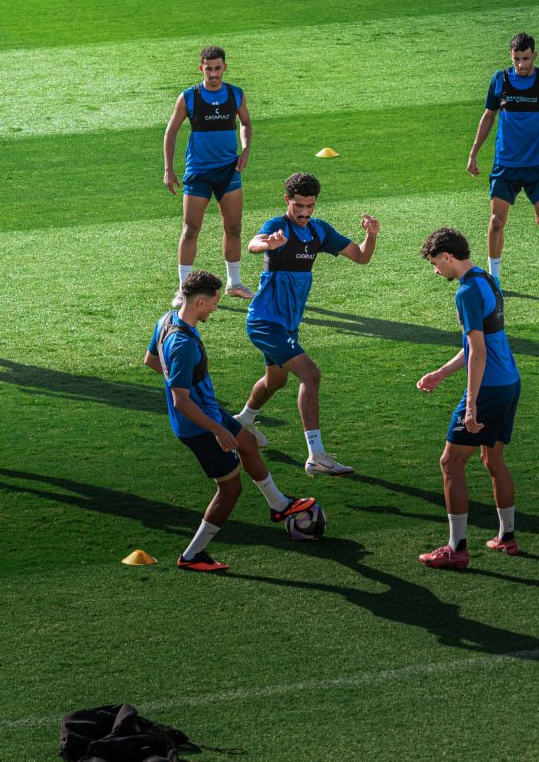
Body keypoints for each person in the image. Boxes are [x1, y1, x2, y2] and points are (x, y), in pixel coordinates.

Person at [144, 270, 315, 571]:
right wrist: (218, 431)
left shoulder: (166, 320)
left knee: (247, 441)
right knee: (230, 490)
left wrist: (179, 380)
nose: (215, 308)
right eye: (214, 302)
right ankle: (192, 555)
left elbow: (151, 361)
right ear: (199, 302)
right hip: (198, 425)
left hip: (206, 411)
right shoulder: (183, 344)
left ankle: (279, 505)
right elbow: (180, 401)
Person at [234, 173, 380, 476]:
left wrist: (372, 235)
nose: (304, 212)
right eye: (299, 205)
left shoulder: (318, 231)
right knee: (311, 375)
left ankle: (243, 421)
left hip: (287, 325)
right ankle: (316, 455)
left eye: (310, 206)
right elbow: (252, 244)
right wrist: (268, 243)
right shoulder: (278, 226)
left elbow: (361, 257)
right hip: (265, 321)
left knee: (275, 381)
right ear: (287, 200)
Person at [416, 228, 521, 570]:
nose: (435, 271)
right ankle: (506, 537)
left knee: (450, 463)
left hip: (488, 388)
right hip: (509, 383)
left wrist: (472, 402)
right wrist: (441, 373)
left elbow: (478, 351)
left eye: (435, 263)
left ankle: (456, 547)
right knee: (493, 461)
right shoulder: (486, 280)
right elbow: (482, 343)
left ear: (447, 257)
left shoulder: (466, 292)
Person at [467, 32, 539, 300]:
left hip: (538, 165)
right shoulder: (499, 80)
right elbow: (488, 116)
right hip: (506, 165)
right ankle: (494, 280)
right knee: (496, 222)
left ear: (535, 55)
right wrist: (474, 153)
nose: (521, 64)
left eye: (526, 59)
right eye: (516, 59)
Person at [163, 46, 254, 308]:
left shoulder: (235, 94)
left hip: (228, 170)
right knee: (191, 229)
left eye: (217, 68)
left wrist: (245, 150)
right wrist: (169, 169)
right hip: (199, 172)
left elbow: (246, 123)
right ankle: (183, 289)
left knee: (234, 227)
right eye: (209, 69)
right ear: (200, 68)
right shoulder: (189, 97)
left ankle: (234, 283)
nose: (213, 74)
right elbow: (171, 132)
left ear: (225, 67)